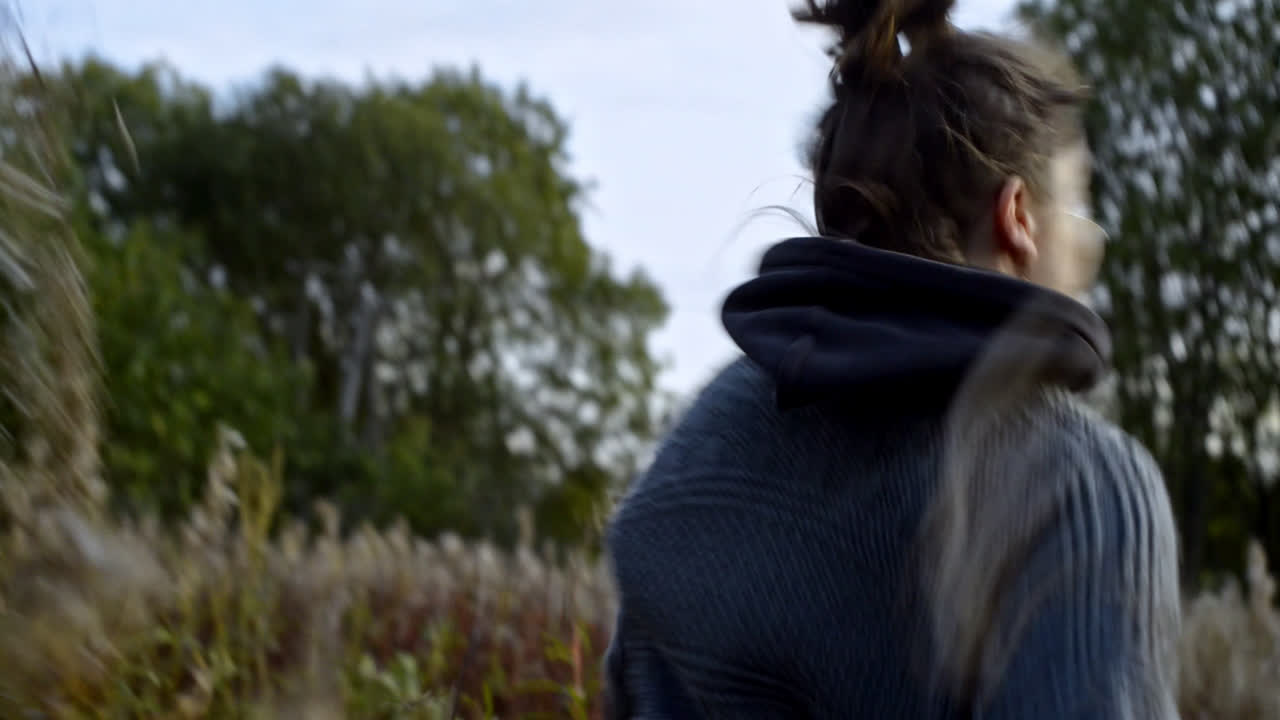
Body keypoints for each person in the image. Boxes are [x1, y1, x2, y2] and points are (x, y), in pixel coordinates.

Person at [602, 0, 1182, 718]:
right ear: (1018, 218)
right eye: (1080, 206)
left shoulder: (700, 446)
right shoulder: (1076, 488)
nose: (1091, 244)